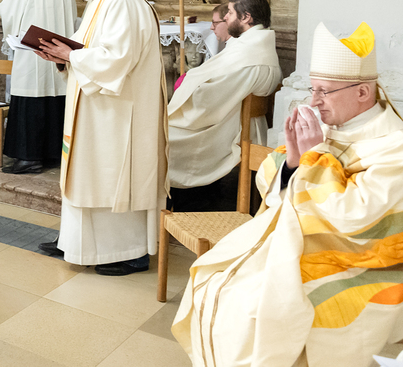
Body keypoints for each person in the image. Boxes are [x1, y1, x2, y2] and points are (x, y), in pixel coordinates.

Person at [173, 22, 403, 367]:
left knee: (258, 308)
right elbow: (276, 180)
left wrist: (313, 159)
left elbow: (358, 218)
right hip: (295, 238)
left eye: (324, 91)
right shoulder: (329, 124)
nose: (314, 101)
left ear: (362, 92)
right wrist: (294, 161)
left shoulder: (393, 146)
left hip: (355, 258)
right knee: (213, 278)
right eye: (313, 89)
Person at [34, 0, 167, 276]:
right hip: (98, 109)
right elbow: (85, 49)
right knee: (89, 178)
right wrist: (61, 57)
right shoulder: (102, 0)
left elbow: (117, 58)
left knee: (111, 179)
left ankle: (130, 253)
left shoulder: (122, 0)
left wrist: (71, 56)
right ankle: (76, 242)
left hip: (117, 114)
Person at [167, 0, 282, 209]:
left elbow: (207, 101)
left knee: (161, 138)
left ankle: (184, 208)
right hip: (235, 120)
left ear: (246, 17)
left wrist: (188, 87)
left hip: (232, 128)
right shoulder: (255, 45)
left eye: (229, 12)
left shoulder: (249, 54)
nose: (226, 17)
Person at [0, 0, 77, 174]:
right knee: (56, 99)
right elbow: (73, 17)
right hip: (59, 54)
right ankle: (54, 155)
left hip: (31, 54)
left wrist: (12, 36)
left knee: (29, 99)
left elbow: (9, 14)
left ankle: (28, 158)